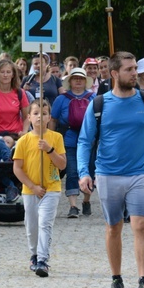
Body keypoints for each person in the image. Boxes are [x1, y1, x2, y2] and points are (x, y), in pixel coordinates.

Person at [77, 51, 144, 288]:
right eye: (129, 69)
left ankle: (143, 280)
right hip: (108, 174)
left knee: (140, 225)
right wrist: (83, 173)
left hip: (139, 174)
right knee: (113, 228)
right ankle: (116, 279)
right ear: (114, 74)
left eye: (135, 69)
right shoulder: (99, 105)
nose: (135, 73)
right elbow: (85, 141)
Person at [13, 99, 66, 277]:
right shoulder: (24, 141)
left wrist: (50, 150)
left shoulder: (56, 138)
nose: (39, 117)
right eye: (35, 113)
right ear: (29, 117)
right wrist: (32, 186)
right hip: (30, 190)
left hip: (51, 187)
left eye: (43, 114)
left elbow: (62, 165)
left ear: (49, 117)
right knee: (32, 226)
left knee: (45, 223)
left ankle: (43, 260)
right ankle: (34, 254)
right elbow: (17, 168)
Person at [51, 68, 96, 218]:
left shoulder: (93, 98)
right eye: (75, 78)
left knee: (89, 170)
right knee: (72, 171)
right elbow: (53, 120)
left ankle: (86, 200)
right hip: (68, 140)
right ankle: (73, 206)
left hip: (89, 140)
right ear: (70, 81)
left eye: (81, 78)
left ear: (85, 81)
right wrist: (52, 138)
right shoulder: (61, 99)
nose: (78, 81)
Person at [0, 59, 30, 138]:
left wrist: (24, 132)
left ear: (13, 75)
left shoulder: (20, 93)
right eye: (2, 72)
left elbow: (26, 117)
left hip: (16, 136)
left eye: (8, 72)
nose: (5, 75)